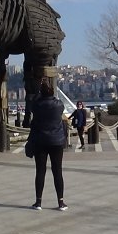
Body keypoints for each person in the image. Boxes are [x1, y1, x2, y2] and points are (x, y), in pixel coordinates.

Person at [28, 80, 68, 211]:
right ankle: (61, 202)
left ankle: (38, 202)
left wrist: (38, 94)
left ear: (41, 92)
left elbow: (32, 104)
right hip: (56, 141)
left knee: (40, 171)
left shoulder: (37, 105)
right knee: (58, 171)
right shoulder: (59, 105)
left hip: (40, 140)